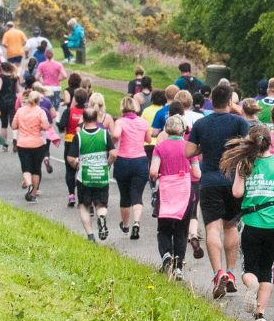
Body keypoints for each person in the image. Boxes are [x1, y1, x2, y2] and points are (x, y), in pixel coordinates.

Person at [223, 123, 274, 321]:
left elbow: (236, 193)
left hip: (251, 223)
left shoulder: (244, 163)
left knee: (249, 269)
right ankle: (260, 314)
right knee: (267, 268)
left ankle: (251, 286)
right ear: (269, 143)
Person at [186, 83, 250, 298]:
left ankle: (218, 273)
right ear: (230, 100)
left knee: (212, 229)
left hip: (210, 181)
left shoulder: (202, 123)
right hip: (233, 181)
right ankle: (231, 273)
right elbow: (249, 148)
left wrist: (204, 146)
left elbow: (188, 151)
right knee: (231, 227)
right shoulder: (240, 122)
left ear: (211, 100)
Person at [149, 114, 201, 273]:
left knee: (164, 228)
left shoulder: (160, 147)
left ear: (166, 129)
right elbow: (198, 174)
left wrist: (158, 176)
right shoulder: (189, 148)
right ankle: (178, 267)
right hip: (184, 191)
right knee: (181, 229)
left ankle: (166, 254)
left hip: (166, 190)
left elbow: (153, 171)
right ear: (183, 129)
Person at [66, 107, 116, 243]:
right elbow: (113, 153)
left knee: (83, 205)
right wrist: (108, 164)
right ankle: (101, 217)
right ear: (97, 118)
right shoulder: (105, 134)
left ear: (83, 119)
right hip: (101, 175)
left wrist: (77, 164)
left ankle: (90, 236)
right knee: (101, 204)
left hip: (85, 177)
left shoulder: (79, 136)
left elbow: (70, 158)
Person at [112, 95, 150, 240]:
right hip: (140, 160)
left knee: (125, 196)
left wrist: (113, 139)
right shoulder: (143, 122)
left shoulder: (120, 121)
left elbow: (115, 135)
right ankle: (136, 222)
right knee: (137, 195)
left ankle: (126, 224)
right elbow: (147, 139)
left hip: (123, 160)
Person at [12, 89, 51, 202]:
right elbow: (45, 126)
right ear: (38, 100)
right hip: (37, 144)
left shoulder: (20, 111)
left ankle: (29, 184)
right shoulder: (40, 111)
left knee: (26, 167)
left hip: (23, 143)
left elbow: (14, 126)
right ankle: (33, 194)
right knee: (36, 169)